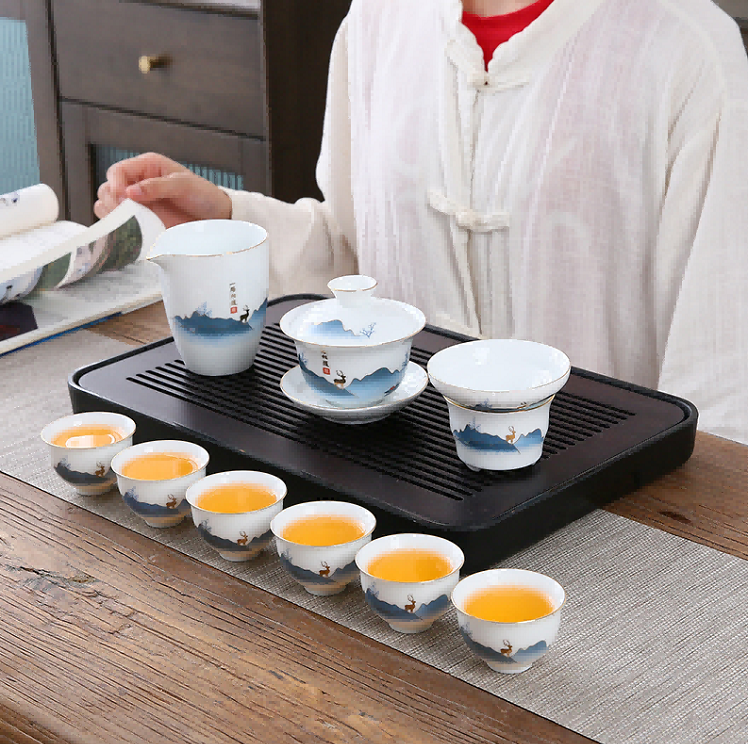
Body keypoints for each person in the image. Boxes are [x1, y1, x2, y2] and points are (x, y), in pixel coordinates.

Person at [95, 0, 748, 445]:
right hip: (400, 480)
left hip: (608, 508)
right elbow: (357, 255)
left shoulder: (685, 48)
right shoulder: (378, 19)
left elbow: (720, 375)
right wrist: (230, 220)